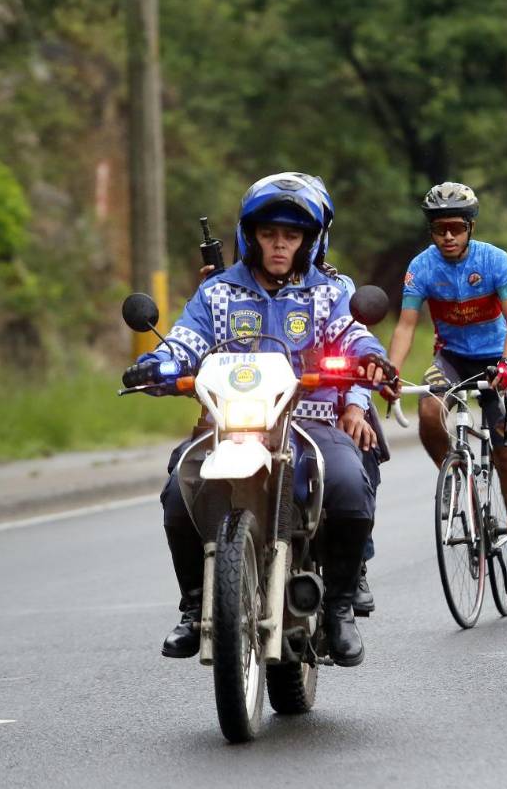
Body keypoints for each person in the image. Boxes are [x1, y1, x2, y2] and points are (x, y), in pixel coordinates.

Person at [124, 172, 391, 666]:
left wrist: (369, 357)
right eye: (269, 233)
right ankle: (193, 605)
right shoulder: (218, 293)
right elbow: (188, 339)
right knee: (177, 492)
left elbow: (351, 335)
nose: (279, 244)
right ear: (251, 235)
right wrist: (158, 364)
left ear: (309, 240)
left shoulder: (329, 292)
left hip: (309, 422)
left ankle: (337, 609)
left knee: (352, 485)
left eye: (291, 235)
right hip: (227, 424)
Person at [385, 182, 507, 600]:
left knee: (506, 454)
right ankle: (451, 475)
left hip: (495, 358)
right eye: (438, 229)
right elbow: (406, 325)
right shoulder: (422, 267)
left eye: (455, 228)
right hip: (451, 357)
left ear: (469, 227)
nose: (447, 236)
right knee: (430, 412)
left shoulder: (495, 260)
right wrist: (392, 374)